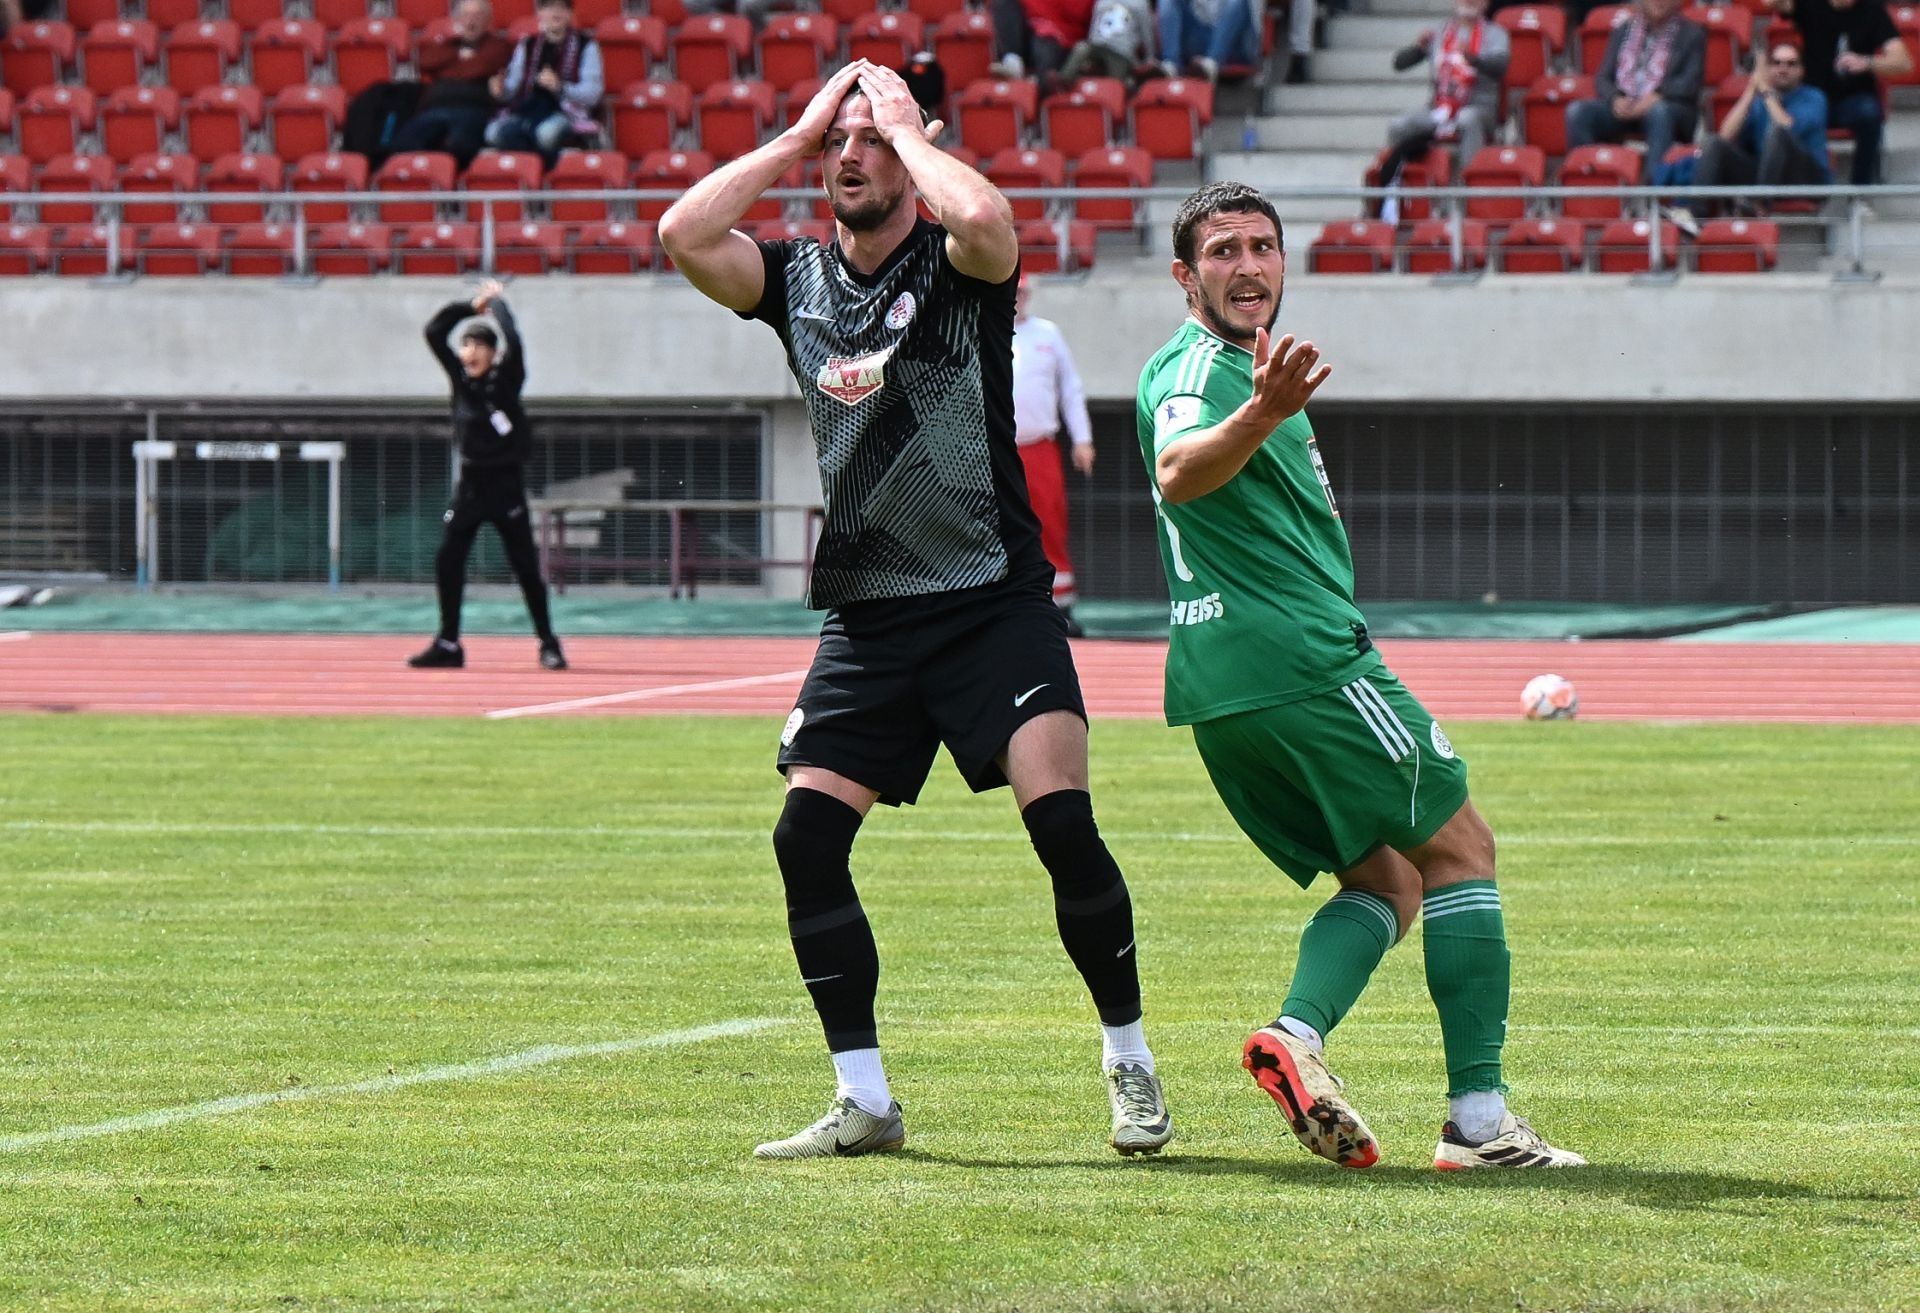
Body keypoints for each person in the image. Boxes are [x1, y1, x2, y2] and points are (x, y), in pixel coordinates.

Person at [658, 59, 1173, 1162]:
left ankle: (1128, 1056)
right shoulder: (794, 278)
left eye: (872, 141)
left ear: (913, 149)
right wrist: (797, 135)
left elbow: (988, 219)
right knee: (804, 838)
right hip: (869, 615)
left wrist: (906, 130)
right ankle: (865, 1099)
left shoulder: (959, 266)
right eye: (840, 144)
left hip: (993, 603)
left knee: (1062, 826)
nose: (852, 157)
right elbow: (683, 234)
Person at [1133, 181, 1586, 1172]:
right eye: (1222, 251)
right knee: (1462, 848)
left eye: (1262, 246)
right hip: (1301, 663)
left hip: (1221, 687)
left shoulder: (1237, 366)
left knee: (1389, 878)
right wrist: (1262, 412)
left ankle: (1294, 1036)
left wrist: (1264, 405)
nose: (1247, 265)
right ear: (1184, 276)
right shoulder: (1204, 371)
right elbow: (1177, 469)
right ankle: (1479, 1123)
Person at [411, 280, 566, 673]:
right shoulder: (461, 382)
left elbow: (514, 340)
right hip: (470, 487)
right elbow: (433, 332)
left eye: (480, 345)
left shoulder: (507, 379)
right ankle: (448, 643)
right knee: (448, 560)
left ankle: (548, 643)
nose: (472, 351)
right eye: (467, 345)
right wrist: (471, 306)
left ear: (493, 354)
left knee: (525, 567)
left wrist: (498, 306)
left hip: (506, 486)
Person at [1673, 39, 1830, 230]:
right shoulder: (1759, 101)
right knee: (1714, 143)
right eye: (1777, 63)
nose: (1783, 69)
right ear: (1768, 69)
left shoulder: (1814, 97)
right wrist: (1751, 90)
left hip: (1804, 179)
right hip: (1766, 177)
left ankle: (1758, 205)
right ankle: (1695, 215)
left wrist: (1766, 91)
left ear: (1801, 71)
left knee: (1777, 133)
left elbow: (1787, 127)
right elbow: (1725, 135)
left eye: (1791, 64)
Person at [1012, 275, 1095, 636]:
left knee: (1049, 522)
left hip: (1040, 446)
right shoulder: (981, 327)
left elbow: (1071, 389)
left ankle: (1060, 606)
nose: (1016, 298)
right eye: (1011, 291)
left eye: (1020, 292)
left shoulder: (1047, 333)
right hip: (994, 448)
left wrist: (1083, 439)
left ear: (1028, 294)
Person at [1767, 0, 1912, 189]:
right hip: (1813, 98)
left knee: (1869, 112)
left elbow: (1904, 63)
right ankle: (1798, 185)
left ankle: (1860, 189)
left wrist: (1868, 62)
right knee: (1784, 115)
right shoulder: (1809, 5)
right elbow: (1770, 3)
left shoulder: (1873, 10)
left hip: (1853, 99)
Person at [1564, 0, 1705, 170]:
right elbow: (1603, 78)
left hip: (1668, 107)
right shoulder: (1623, 30)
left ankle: (1654, 182)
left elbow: (1690, 83)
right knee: (1578, 111)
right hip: (1626, 104)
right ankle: (1589, 175)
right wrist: (1615, 98)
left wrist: (1657, 96)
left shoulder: (1692, 33)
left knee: (1659, 112)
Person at [1384, 0, 1511, 175]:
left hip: (1479, 108)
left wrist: (1473, 59)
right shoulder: (1440, 32)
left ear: (1486, 3)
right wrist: (1419, 48)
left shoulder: (1496, 33)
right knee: (1399, 125)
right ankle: (1397, 182)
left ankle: (1470, 183)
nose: (1469, 1)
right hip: (1440, 109)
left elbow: (1501, 68)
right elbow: (1399, 64)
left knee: (1467, 118)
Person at [391, 0, 513, 169]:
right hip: (435, 108)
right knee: (404, 143)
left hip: (472, 108)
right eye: (466, 15)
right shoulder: (448, 44)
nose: (471, 21)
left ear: (488, 20)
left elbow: (480, 67)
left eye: (477, 15)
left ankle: (448, 181)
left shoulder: (498, 45)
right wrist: (458, 56)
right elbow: (424, 62)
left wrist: (447, 67)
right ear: (458, 20)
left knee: (459, 145)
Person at [485, 0, 604, 168]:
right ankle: (534, 171)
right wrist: (501, 90)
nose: (556, 13)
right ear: (539, 13)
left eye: (562, 8)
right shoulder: (527, 44)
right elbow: (512, 88)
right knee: (493, 133)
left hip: (565, 111)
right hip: (528, 107)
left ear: (570, 14)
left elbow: (593, 94)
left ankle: (539, 172)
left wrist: (560, 87)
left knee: (546, 134)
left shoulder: (587, 45)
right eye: (549, 7)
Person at [990, 0, 1095, 91]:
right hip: (1026, 31)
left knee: (1046, 45)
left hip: (1063, 39)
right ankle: (1012, 62)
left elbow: (1077, 13)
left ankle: (1039, 100)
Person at [1060, 0, 1159, 90]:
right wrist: (1091, 42)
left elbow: (1146, 32)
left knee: (1114, 84)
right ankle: (1063, 81)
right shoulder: (1102, 1)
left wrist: (1149, 58)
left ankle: (1114, 95)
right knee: (1081, 48)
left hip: (1121, 51)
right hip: (1097, 44)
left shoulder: (1140, 3)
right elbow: (1094, 24)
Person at [1157, 0, 1262, 84]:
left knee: (1238, 2)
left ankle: (1212, 64)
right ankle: (1171, 65)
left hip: (1236, 42)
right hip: (1201, 35)